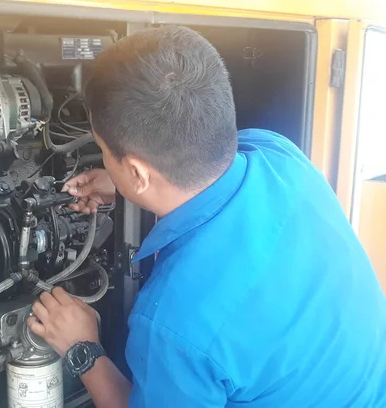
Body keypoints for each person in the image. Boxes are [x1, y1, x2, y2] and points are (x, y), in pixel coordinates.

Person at [26, 26, 386, 407]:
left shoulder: (176, 325)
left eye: (102, 149)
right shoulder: (279, 154)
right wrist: (125, 185)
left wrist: (83, 349)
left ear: (139, 172)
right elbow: (199, 169)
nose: (102, 159)